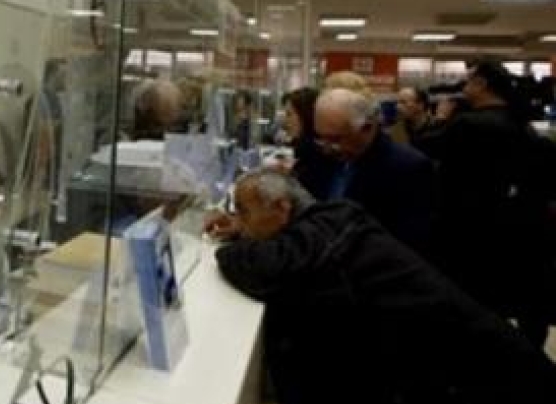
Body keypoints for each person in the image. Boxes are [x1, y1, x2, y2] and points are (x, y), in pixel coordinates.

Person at [206, 169, 556, 404]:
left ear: (282, 208)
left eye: (244, 211)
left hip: (495, 378)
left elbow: (265, 268)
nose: (240, 220)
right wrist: (243, 229)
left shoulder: (323, 234)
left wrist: (229, 247)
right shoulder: (330, 221)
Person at [428, 59, 555, 348]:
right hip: (522, 234)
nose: (463, 87)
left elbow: (430, 149)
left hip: (471, 232)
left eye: (468, 81)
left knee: (476, 308)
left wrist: (441, 118)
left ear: (482, 84)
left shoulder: (467, 125)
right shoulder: (525, 127)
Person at [311, 88, 437, 254]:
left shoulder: (408, 168)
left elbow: (408, 244)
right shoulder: (327, 159)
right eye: (321, 138)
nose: (327, 148)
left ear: (367, 128)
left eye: (336, 139)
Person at [389, 86, 439, 155]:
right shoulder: (397, 129)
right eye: (397, 103)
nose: (397, 107)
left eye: (403, 102)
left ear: (420, 105)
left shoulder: (438, 128)